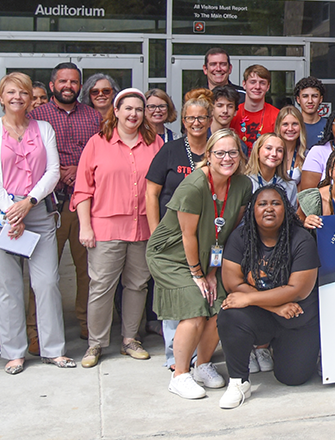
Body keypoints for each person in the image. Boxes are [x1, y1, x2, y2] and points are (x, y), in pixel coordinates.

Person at [0, 71, 75, 374]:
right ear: (2, 97)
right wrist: (10, 210)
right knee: (8, 286)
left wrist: (27, 203)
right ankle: (14, 352)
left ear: (32, 99)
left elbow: (53, 170)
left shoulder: (43, 128)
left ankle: (53, 350)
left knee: (46, 283)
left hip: (38, 213)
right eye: (11, 93)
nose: (17, 98)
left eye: (24, 93)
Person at [146, 128, 253, 399]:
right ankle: (179, 375)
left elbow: (225, 231)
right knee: (195, 306)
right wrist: (198, 274)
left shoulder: (242, 185)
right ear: (208, 156)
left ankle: (202, 365)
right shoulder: (194, 185)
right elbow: (187, 234)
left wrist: (214, 273)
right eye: (220, 153)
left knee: (221, 306)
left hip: (207, 253)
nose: (227, 158)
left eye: (232, 152)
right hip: (171, 254)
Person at [73, 87, 162, 368]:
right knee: (101, 286)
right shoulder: (97, 143)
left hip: (143, 228)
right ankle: (95, 344)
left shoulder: (155, 143)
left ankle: (130, 339)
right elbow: (82, 190)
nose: (134, 114)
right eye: (128, 108)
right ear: (116, 111)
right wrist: (85, 227)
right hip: (106, 229)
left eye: (139, 109)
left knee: (137, 285)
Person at [216, 184, 320, 408]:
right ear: (253, 210)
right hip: (266, 315)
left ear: (286, 209)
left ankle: (285, 351)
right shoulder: (240, 237)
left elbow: (297, 290)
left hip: (297, 319)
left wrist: (250, 298)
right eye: (262, 204)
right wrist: (274, 307)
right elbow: (232, 282)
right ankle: (239, 382)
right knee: (230, 315)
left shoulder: (301, 239)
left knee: (293, 379)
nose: (269, 209)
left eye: (276, 203)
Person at [30, 62, 102, 353]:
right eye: (63, 81)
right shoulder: (36, 116)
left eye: (74, 82)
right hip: (48, 204)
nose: (68, 86)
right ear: (52, 85)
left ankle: (87, 322)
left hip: (82, 204)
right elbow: (28, 157)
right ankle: (35, 332)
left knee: (88, 270)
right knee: (43, 272)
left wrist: (78, 169)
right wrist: (56, 171)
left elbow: (101, 155)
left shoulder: (94, 117)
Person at [145, 89, 211, 369]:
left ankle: (199, 354)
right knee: (177, 295)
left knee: (201, 294)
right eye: (190, 118)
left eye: (201, 117)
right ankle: (176, 357)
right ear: (183, 121)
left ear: (210, 120)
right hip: (171, 237)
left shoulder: (217, 149)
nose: (196, 123)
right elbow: (151, 193)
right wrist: (154, 233)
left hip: (206, 235)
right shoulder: (170, 150)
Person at [232, 65, 278, 150]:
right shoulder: (232, 113)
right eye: (253, 82)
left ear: (268, 87)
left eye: (262, 83)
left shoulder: (277, 116)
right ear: (244, 84)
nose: (257, 87)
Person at [245, 133, 300, 204]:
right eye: (268, 148)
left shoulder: (290, 185)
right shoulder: (244, 182)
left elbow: (292, 214)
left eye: (279, 150)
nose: (274, 154)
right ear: (257, 152)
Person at [293, 76, 328, 150]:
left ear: (320, 99)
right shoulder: (292, 126)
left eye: (314, 96)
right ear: (298, 99)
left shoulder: (328, 126)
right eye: (305, 96)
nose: (310, 101)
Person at [275, 105, 307, 179]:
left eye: (295, 124)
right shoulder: (269, 152)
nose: (290, 129)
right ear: (278, 127)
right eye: (285, 124)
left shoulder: (306, 155)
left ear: (301, 127)